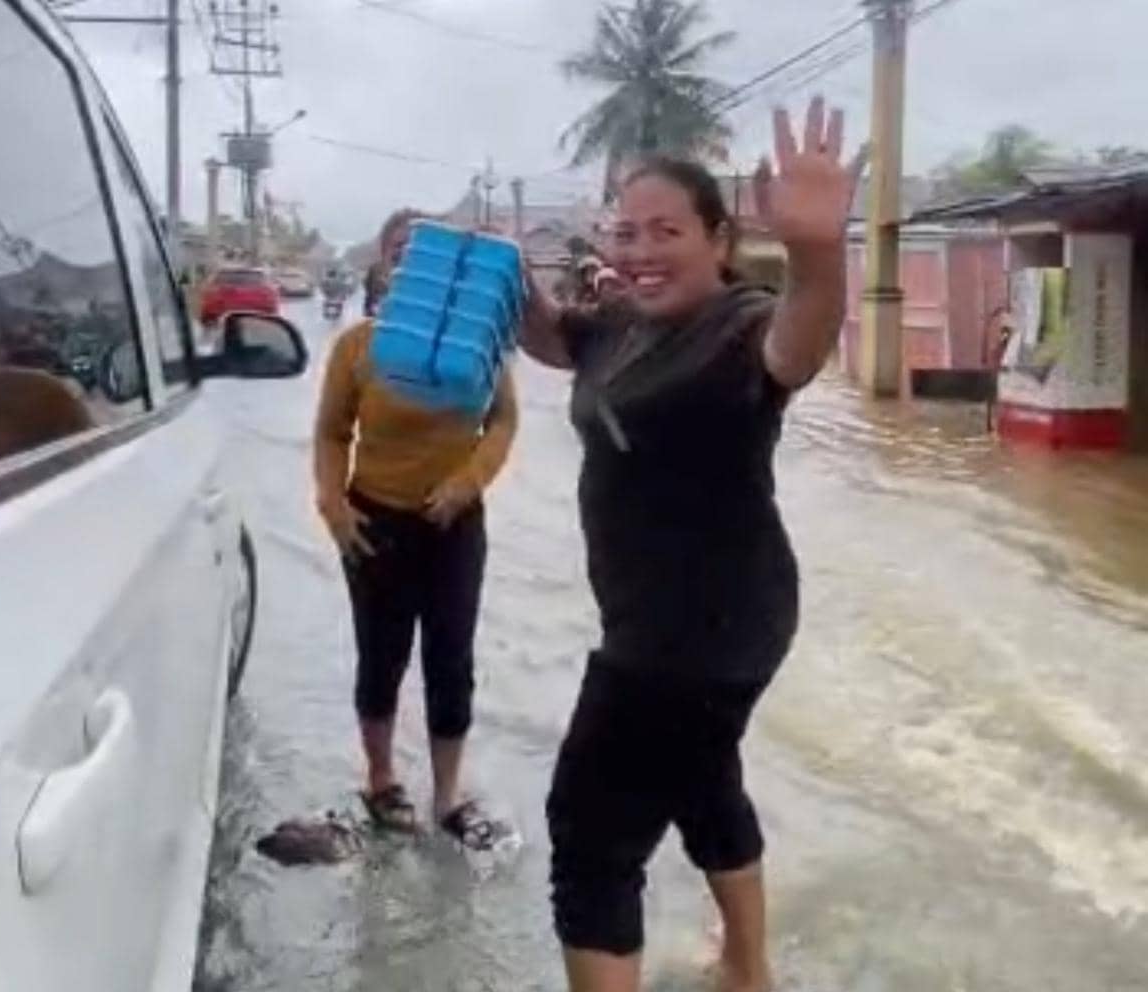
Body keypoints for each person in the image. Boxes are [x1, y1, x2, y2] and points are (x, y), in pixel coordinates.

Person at [519, 98, 865, 992]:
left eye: (664, 230)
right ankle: (748, 970)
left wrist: (817, 253)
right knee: (704, 782)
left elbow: (802, 339)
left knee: (590, 835)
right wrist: (498, 277)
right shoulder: (626, 324)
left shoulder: (737, 327)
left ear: (718, 240)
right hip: (698, 617)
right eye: (623, 232)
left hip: (692, 634)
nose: (637, 250)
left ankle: (744, 970)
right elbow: (557, 341)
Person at [313, 207, 519, 849]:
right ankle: (380, 779)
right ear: (385, 263)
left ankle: (448, 797)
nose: (410, 259)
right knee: (381, 658)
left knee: (451, 661)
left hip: (455, 527)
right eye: (401, 249)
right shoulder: (358, 347)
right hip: (373, 522)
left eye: (422, 250)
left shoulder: (478, 344)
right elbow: (330, 431)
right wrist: (333, 506)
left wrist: (468, 482)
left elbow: (504, 422)